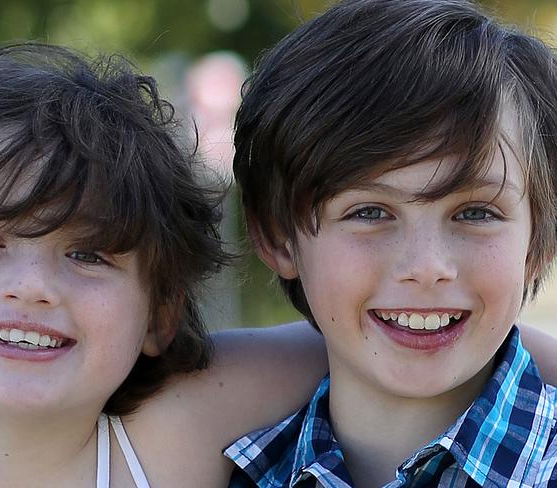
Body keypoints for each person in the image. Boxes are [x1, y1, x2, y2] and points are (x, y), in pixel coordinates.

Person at [0, 41, 555, 488]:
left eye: (88, 253)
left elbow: (382, 330)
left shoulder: (180, 431)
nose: (30, 288)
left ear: (161, 313)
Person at [225, 0, 557, 486]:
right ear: (279, 237)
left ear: (538, 244)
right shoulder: (218, 470)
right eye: (370, 212)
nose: (427, 267)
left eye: (476, 213)